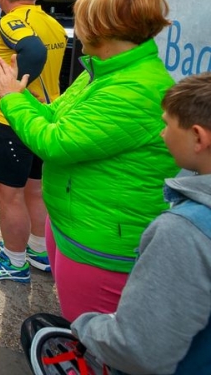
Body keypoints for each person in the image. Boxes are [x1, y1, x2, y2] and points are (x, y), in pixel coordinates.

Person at [0, 0, 179, 312]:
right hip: (77, 224)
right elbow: (54, 118)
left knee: (92, 333)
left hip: (100, 239)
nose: (78, 28)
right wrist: (14, 87)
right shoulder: (102, 74)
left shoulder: (132, 88)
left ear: (101, 27)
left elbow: (54, 143)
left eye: (82, 19)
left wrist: (12, 97)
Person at [70, 73, 211, 374]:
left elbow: (138, 348)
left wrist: (87, 325)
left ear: (198, 137)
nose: (162, 134)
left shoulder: (184, 231)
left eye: (167, 124)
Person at [0, 0, 68, 285]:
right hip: (43, 116)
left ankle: (13, 261)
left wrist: (17, 86)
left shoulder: (13, 20)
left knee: (7, 194)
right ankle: (39, 251)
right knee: (34, 189)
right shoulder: (50, 21)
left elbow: (33, 50)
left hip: (12, 121)